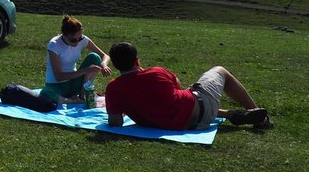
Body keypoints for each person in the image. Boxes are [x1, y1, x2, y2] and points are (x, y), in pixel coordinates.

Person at [105, 41, 272, 130]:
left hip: (177, 125)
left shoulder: (113, 88)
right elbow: (178, 90)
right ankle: (261, 118)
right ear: (137, 60)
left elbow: (116, 122)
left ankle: (231, 114)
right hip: (201, 109)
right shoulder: (157, 72)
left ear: (115, 65)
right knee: (220, 71)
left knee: (175, 100)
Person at [41, 15, 111, 104]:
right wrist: (85, 71)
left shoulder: (82, 40)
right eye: (74, 39)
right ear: (64, 35)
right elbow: (58, 77)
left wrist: (104, 64)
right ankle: (71, 100)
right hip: (56, 86)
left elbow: (105, 55)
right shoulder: (54, 45)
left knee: (95, 57)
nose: (78, 42)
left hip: (74, 83)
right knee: (45, 93)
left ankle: (82, 93)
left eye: (80, 38)